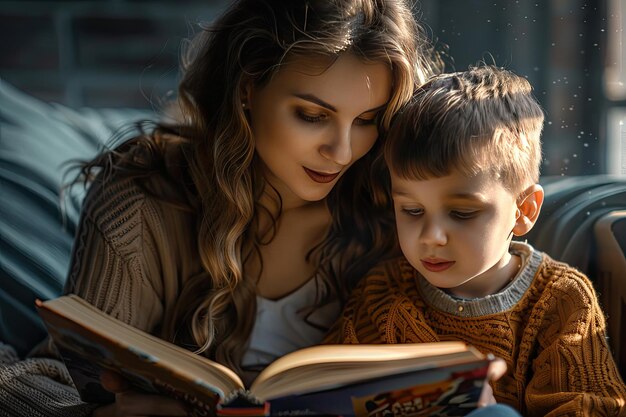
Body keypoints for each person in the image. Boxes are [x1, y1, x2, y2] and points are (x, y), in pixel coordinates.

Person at [0, 1, 445, 416]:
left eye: (366, 120)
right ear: (248, 87)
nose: (343, 151)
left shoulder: (398, 212)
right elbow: (46, 377)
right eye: (312, 116)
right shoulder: (143, 200)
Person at [325, 65, 626, 416]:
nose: (432, 238)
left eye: (462, 213)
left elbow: (590, 407)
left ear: (523, 210)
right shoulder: (383, 294)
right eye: (411, 210)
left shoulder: (560, 301)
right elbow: (328, 388)